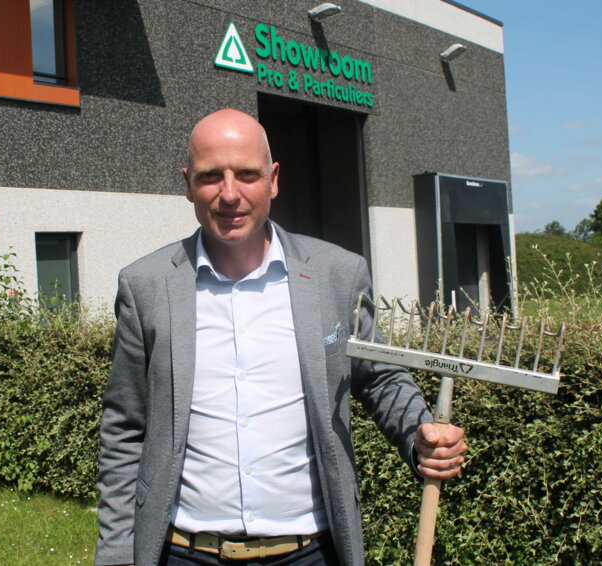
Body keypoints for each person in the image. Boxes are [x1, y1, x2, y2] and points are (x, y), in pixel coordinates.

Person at [96, 108, 467, 566]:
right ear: (188, 183)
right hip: (184, 552)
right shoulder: (146, 285)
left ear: (272, 180)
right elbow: (124, 429)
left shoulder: (337, 274)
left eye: (246, 175)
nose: (229, 194)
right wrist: (116, 555)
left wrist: (419, 434)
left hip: (309, 552)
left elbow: (379, 378)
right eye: (211, 176)